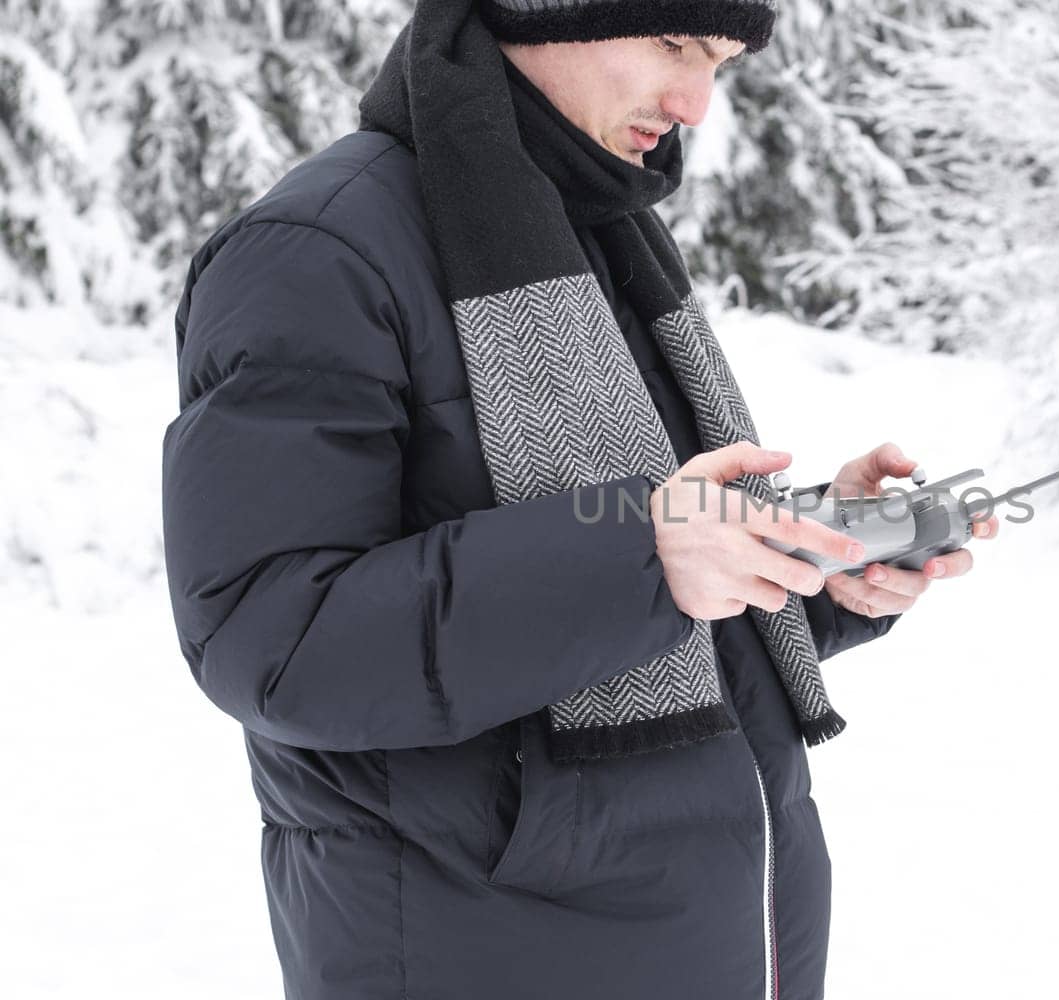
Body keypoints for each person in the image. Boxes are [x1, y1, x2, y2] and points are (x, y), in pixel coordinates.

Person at [159, 0, 997, 997]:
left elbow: (648, 592)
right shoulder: (317, 252)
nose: (696, 101)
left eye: (722, 62)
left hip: (715, 947)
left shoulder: (595, 236)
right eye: (675, 45)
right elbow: (273, 641)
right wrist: (648, 556)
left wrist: (808, 563)